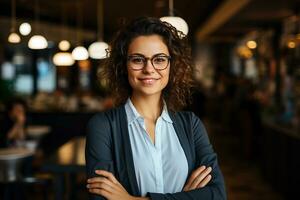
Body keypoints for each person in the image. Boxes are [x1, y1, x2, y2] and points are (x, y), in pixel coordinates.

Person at [85, 17, 226, 200]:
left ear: (171, 66)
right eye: (137, 60)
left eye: (159, 60)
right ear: (124, 66)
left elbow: (217, 194)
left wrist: (130, 199)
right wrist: (186, 196)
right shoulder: (103, 126)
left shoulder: (191, 124)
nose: (149, 69)